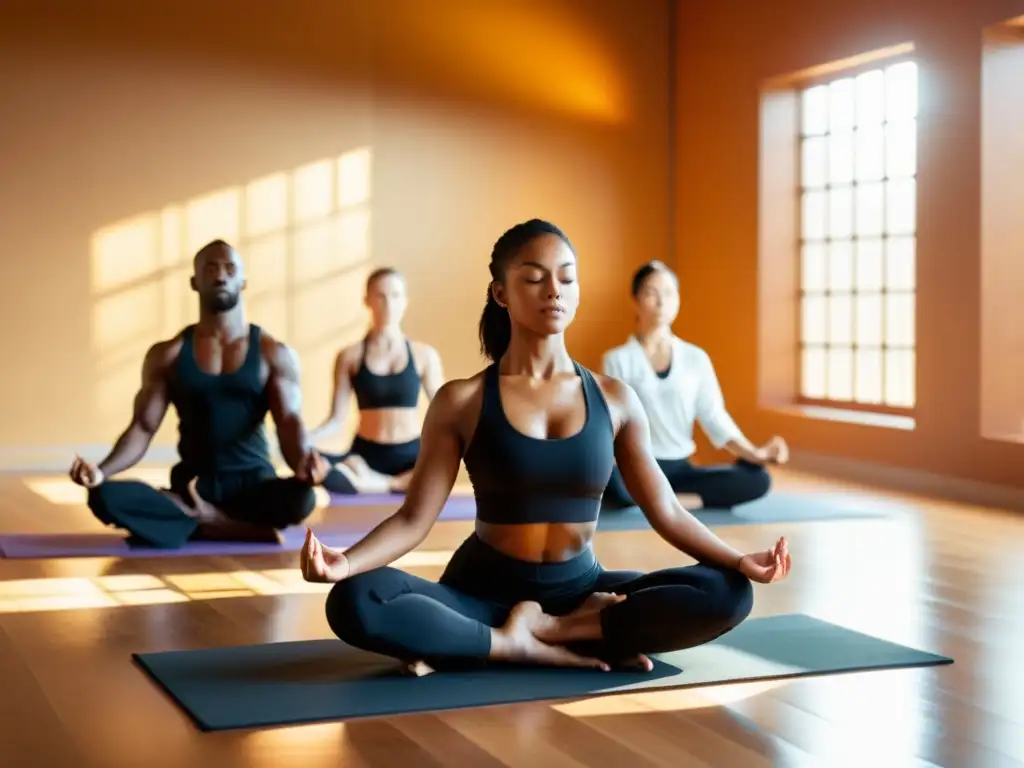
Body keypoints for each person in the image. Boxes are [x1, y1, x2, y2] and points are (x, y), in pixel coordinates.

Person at [299, 219, 791, 674]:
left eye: (567, 278)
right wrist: (345, 562)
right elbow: (413, 520)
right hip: (480, 591)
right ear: (501, 293)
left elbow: (664, 508)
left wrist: (737, 560)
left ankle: (553, 631)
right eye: (534, 278)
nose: (554, 290)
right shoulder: (462, 400)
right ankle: (511, 641)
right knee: (355, 599)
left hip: (580, 592)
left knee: (726, 592)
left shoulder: (615, 399)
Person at [68, 240, 328, 548]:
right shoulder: (169, 354)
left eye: (230, 269)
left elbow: (288, 421)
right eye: (211, 268)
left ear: (243, 282)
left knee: (302, 499)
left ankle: (196, 524)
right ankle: (232, 528)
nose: (220, 276)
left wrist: (305, 466)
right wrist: (100, 471)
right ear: (195, 282)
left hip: (254, 486)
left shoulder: (274, 353)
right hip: (193, 487)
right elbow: (142, 427)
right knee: (104, 496)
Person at [600, 261, 789, 510]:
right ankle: (657, 500)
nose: (661, 301)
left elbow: (715, 416)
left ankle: (671, 504)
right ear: (635, 300)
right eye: (650, 293)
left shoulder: (695, 358)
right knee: (604, 478)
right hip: (636, 470)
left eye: (668, 293)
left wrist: (754, 453)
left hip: (681, 471)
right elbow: (611, 422)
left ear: (677, 300)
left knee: (758, 479)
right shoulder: (617, 360)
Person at [310, 267, 444, 495]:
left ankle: (378, 484)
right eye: (381, 296)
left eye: (396, 296)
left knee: (445, 466)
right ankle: (394, 484)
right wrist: (300, 439)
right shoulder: (349, 356)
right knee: (311, 462)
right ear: (367, 301)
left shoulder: (424, 355)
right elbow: (336, 418)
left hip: (411, 457)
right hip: (366, 457)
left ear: (405, 301)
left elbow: (445, 413)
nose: (388, 304)